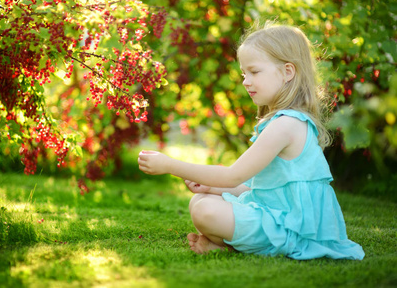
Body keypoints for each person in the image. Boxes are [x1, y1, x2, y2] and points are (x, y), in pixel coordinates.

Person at [138, 23, 365, 260]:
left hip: (295, 230)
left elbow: (233, 176)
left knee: (205, 210)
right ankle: (231, 245)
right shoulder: (284, 121)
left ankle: (240, 246)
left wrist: (169, 165)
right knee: (201, 200)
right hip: (276, 214)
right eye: (244, 73)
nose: (246, 81)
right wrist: (211, 188)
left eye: (254, 72)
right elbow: (260, 188)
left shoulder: (286, 125)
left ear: (288, 72)